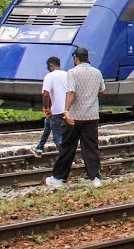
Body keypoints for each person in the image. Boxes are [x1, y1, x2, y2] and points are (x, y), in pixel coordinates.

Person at [44, 47, 106, 188]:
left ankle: (58, 178)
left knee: (67, 147)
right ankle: (95, 178)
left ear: (76, 58)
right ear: (87, 58)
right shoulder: (97, 72)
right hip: (91, 116)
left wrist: (65, 110)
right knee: (91, 147)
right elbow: (102, 91)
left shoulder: (72, 72)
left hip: (75, 117)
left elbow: (71, 92)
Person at [32, 56, 67, 158]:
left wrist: (46, 108)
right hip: (68, 110)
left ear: (51, 66)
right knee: (48, 122)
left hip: (57, 110)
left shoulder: (49, 76)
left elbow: (46, 94)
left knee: (57, 137)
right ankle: (39, 148)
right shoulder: (67, 74)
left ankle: (65, 157)